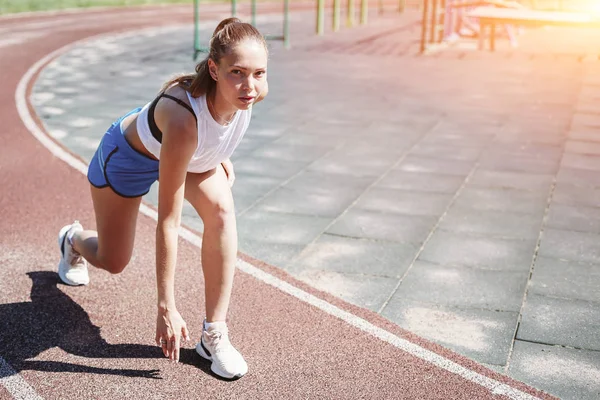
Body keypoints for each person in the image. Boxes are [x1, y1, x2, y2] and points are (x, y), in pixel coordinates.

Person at [56, 17, 269, 380]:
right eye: (237, 72)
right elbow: (168, 221)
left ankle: (214, 334)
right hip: (127, 159)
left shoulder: (243, 100)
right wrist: (165, 305)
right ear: (214, 70)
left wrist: (219, 155)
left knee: (221, 211)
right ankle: (72, 239)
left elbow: (216, 127)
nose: (249, 85)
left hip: (182, 155)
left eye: (259, 73)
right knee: (113, 260)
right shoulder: (185, 121)